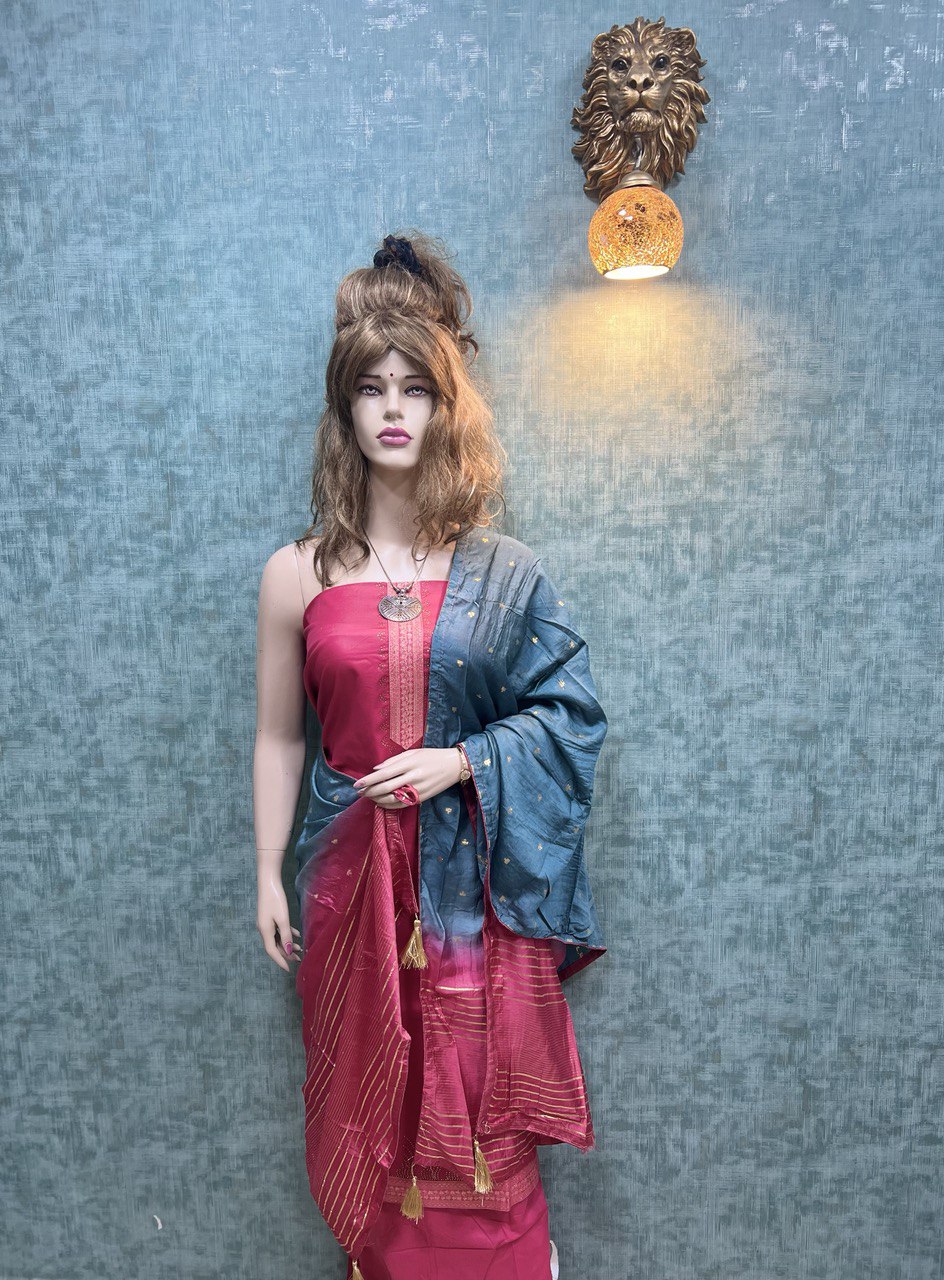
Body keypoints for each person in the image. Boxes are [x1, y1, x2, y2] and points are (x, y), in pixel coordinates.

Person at [253, 232, 608, 1280]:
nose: (394, 409)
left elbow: (571, 714)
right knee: (373, 1104)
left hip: (472, 905)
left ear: (447, 407)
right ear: (345, 410)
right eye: (372, 388)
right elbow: (279, 734)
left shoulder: (505, 572)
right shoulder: (296, 574)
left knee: (477, 1108)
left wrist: (461, 763)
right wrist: (264, 871)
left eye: (416, 387)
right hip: (347, 891)